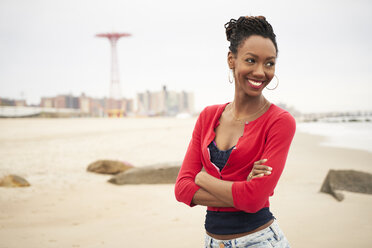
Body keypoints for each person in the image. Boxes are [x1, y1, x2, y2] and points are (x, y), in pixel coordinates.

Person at [174, 16, 296, 248]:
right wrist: (241, 191)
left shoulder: (280, 121)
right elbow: (181, 189)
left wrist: (202, 179)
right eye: (251, 60)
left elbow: (255, 199)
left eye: (269, 63)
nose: (261, 72)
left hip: (260, 240)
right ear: (232, 60)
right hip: (212, 242)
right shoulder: (208, 116)